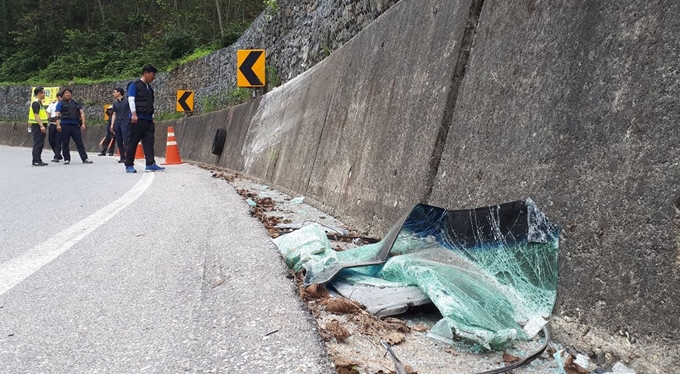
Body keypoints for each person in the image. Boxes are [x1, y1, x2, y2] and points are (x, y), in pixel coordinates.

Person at [125, 64, 164, 173]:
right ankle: (129, 164)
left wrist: (152, 118)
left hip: (148, 120)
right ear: (146, 73)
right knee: (133, 142)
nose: (154, 77)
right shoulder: (134, 85)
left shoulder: (149, 89)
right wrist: (133, 114)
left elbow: (150, 104)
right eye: (152, 74)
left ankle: (150, 164)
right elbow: (131, 99)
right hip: (137, 119)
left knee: (149, 142)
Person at [55, 89, 93, 165]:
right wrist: (58, 124)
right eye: (66, 93)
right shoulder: (60, 104)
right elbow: (57, 114)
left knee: (79, 142)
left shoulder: (76, 103)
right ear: (63, 95)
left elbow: (81, 113)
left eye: (69, 93)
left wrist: (83, 123)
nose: (68, 94)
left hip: (75, 125)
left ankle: (84, 158)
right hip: (65, 125)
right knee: (65, 143)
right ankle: (67, 159)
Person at [28, 87, 48, 166]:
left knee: (41, 143)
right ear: (39, 93)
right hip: (37, 126)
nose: (44, 95)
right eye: (43, 93)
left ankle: (38, 159)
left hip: (40, 125)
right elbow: (36, 115)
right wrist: (41, 125)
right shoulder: (36, 103)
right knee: (38, 143)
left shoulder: (39, 103)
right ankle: (36, 160)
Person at [111, 87, 130, 163]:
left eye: (114, 92)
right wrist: (112, 124)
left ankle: (128, 157)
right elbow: (114, 114)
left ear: (119, 93)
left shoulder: (127, 101)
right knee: (119, 140)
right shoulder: (115, 103)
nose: (113, 93)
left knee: (126, 140)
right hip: (117, 123)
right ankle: (122, 157)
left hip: (125, 122)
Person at [46, 91, 63, 162]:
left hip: (60, 124)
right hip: (52, 124)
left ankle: (56, 156)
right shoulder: (52, 104)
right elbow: (48, 113)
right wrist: (46, 121)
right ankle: (57, 154)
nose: (60, 98)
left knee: (58, 140)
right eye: (59, 97)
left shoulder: (64, 105)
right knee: (51, 140)